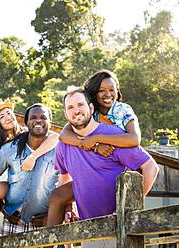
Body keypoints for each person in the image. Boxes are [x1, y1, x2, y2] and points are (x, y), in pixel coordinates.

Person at [47, 88, 159, 248]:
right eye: (70, 107)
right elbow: (65, 178)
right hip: (90, 232)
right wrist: (67, 207)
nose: (76, 110)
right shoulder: (63, 146)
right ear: (65, 114)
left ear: (91, 108)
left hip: (119, 229)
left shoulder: (113, 136)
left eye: (80, 104)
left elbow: (150, 167)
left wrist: (130, 208)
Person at [0, 100, 58, 238]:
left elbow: (55, 137)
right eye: (1, 116)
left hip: (40, 215)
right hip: (13, 201)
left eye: (8, 112)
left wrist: (33, 157)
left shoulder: (28, 132)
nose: (7, 117)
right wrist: (5, 209)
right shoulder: (4, 147)